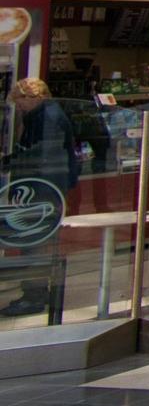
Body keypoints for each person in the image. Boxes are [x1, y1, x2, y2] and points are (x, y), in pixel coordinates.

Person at [3, 78, 78, 317]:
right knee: (38, 240)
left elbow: (43, 155)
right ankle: (40, 290)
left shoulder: (48, 118)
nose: (19, 107)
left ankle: (34, 295)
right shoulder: (44, 115)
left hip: (43, 189)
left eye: (20, 101)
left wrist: (11, 162)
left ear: (33, 97)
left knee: (33, 240)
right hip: (45, 187)